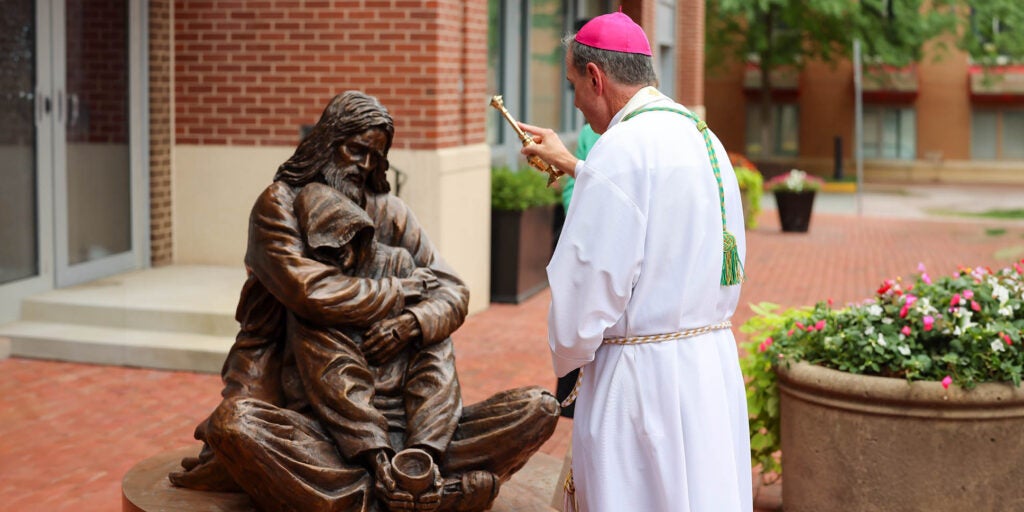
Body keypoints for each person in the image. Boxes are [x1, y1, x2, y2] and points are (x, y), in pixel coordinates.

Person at [170, 91, 560, 512]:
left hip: (413, 425)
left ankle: (397, 480)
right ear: (325, 142)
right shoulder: (278, 206)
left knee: (537, 409)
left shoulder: (390, 211)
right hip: (310, 416)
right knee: (237, 425)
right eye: (356, 150)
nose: (365, 166)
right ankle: (423, 493)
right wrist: (401, 292)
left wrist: (411, 323)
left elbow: (453, 291)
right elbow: (311, 293)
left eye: (376, 157)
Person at [519, 12, 752, 512]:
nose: (576, 103)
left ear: (595, 77)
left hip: (641, 385)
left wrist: (570, 351)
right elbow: (658, 215)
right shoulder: (701, 136)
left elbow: (586, 297)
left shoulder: (620, 149)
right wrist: (579, 166)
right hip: (707, 370)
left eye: (573, 85)